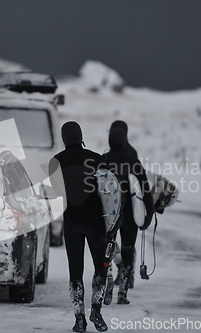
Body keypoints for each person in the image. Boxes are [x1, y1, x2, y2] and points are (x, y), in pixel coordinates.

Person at [49, 121, 109, 332]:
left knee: (76, 272)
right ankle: (96, 310)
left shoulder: (55, 162)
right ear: (80, 136)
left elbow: (55, 194)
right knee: (101, 267)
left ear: (64, 138)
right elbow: (110, 194)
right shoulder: (97, 159)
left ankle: (79, 319)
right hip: (96, 223)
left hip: (71, 223)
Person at [102, 127, 154, 304]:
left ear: (110, 141)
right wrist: (148, 217)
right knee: (127, 250)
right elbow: (146, 193)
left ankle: (106, 281)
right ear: (125, 141)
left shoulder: (103, 160)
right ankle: (122, 293)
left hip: (110, 214)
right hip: (131, 216)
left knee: (107, 249)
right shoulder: (134, 162)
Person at [108, 120, 138, 290]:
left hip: (111, 209)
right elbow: (140, 186)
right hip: (130, 210)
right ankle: (127, 281)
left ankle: (114, 275)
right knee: (128, 246)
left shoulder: (104, 157)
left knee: (110, 243)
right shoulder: (133, 154)